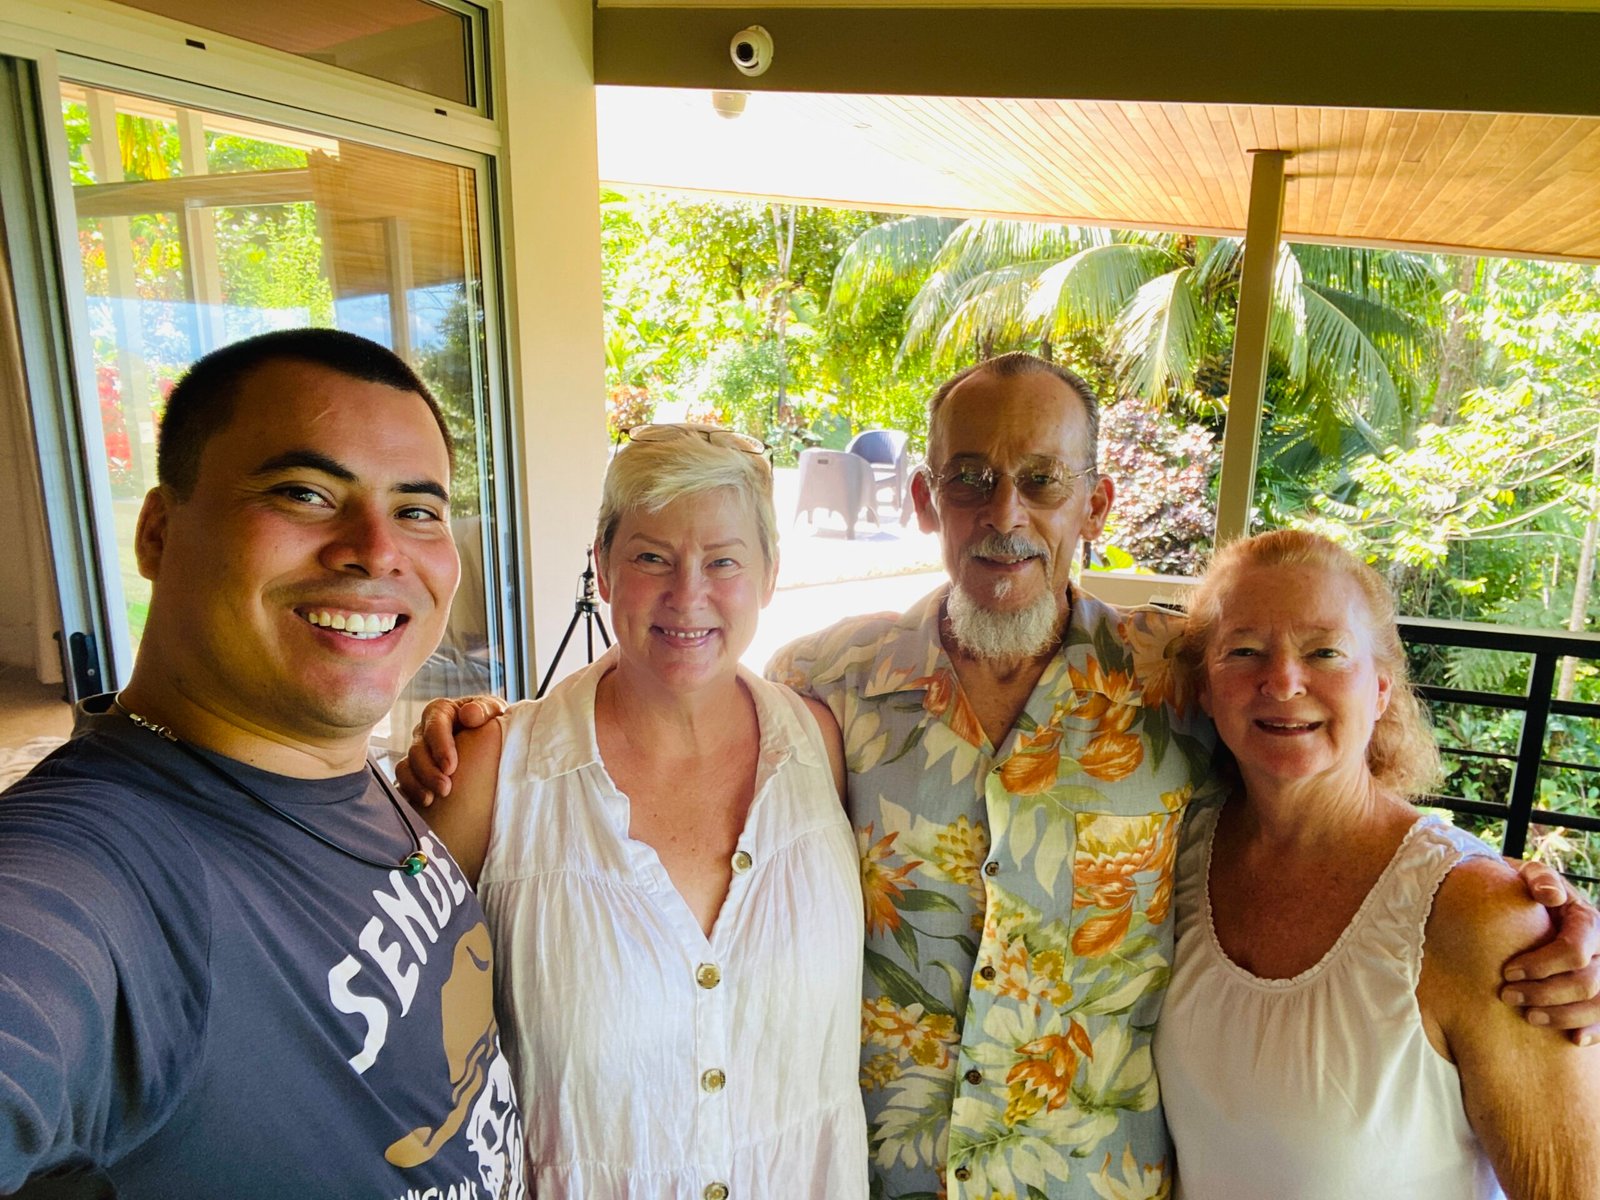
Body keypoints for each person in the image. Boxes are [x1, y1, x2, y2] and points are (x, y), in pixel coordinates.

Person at [405, 353, 1600, 1199]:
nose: (1004, 512)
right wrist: (482, 725)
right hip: (867, 1178)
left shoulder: (1176, 679)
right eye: (969, 477)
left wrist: (1509, 912)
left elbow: (1320, 784)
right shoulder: (825, 690)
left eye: (1041, 479)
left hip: (1097, 1184)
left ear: (1096, 498)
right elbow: (669, 705)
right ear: (926, 498)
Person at [0, 329, 526, 1199]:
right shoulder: (98, 871)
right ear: (161, 533)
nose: (378, 549)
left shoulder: (352, 775)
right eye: (304, 492)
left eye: (418, 509)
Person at [416, 423, 868, 1199]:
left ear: (768, 576)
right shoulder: (495, 775)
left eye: (723, 561)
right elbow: (396, 1043)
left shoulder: (822, 746)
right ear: (603, 565)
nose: (686, 594)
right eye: (651, 557)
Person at [1152, 530, 1600, 1198]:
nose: (1282, 679)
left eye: (1324, 651)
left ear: (1382, 688)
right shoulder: (1170, 855)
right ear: (1207, 692)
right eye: (1244, 650)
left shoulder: (1480, 917)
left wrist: (1524, 907)